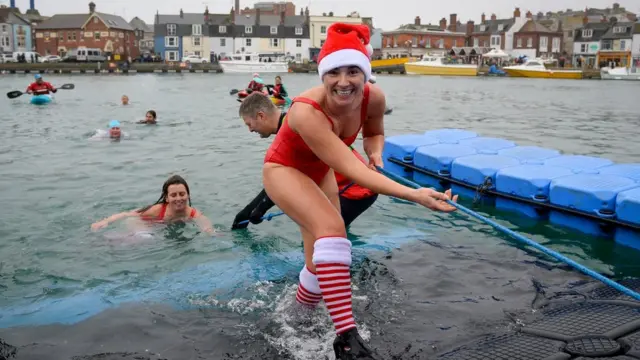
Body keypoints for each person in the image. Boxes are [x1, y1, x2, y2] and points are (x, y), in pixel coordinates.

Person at [261, 23, 458, 359]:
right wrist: (416, 195)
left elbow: (374, 132)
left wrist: (375, 152)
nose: (344, 81)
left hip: (320, 169)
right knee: (333, 230)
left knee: (317, 256)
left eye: (354, 71)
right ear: (322, 76)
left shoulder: (374, 97)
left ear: (365, 73)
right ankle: (346, 338)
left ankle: (298, 312)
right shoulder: (305, 112)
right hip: (284, 169)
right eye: (334, 72)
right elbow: (351, 171)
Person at [232, 92, 377, 230]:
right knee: (330, 233)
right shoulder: (295, 121)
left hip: (355, 190)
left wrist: (258, 209)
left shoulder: (295, 132)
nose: (250, 130)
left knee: (319, 239)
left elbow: (283, 182)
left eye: (249, 124)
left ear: (261, 116)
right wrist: (251, 210)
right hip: (357, 184)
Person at [91, 175, 215, 235]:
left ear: (188, 195)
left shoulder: (193, 213)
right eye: (174, 195)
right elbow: (128, 214)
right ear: (167, 198)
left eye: (182, 194)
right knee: (145, 240)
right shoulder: (157, 210)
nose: (179, 198)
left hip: (159, 228)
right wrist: (106, 221)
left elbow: (207, 227)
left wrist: (213, 234)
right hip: (140, 223)